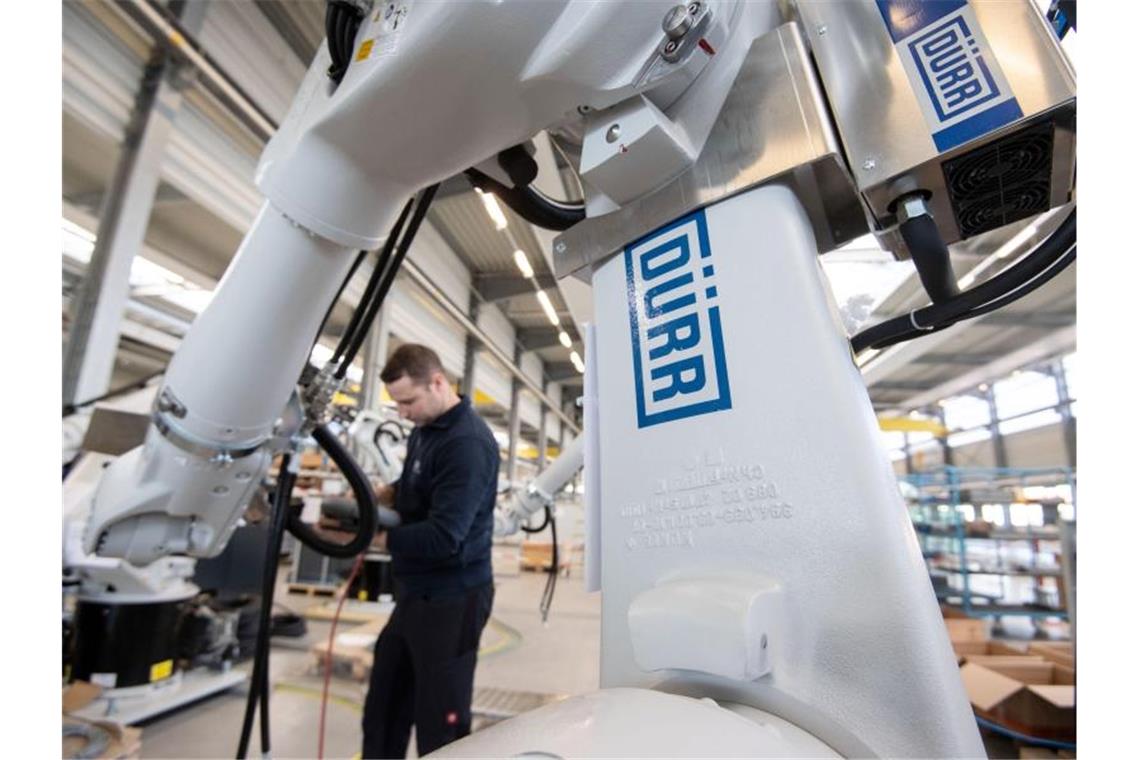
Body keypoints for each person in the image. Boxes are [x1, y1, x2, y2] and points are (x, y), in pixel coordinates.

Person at [360, 343, 499, 759]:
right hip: (415, 594)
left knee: (441, 723)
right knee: (383, 708)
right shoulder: (427, 429)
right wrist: (386, 494)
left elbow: (444, 537)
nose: (402, 412)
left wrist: (379, 541)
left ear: (437, 383)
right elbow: (419, 488)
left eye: (407, 401)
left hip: (453, 599)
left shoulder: (467, 444)